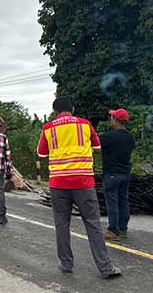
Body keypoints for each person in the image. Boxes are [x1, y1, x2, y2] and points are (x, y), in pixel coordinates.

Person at [37, 97, 121, 278]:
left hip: (58, 183)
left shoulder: (48, 129)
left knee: (61, 224)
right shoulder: (85, 125)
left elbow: (41, 154)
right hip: (83, 182)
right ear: (73, 109)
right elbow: (98, 148)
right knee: (93, 224)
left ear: (54, 112)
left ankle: (66, 264)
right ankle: (105, 268)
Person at [99, 109, 135, 241]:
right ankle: (123, 228)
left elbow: (95, 143)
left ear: (115, 119)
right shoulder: (130, 137)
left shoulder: (109, 136)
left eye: (112, 117)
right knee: (123, 201)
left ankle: (113, 230)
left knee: (112, 202)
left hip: (111, 174)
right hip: (125, 173)